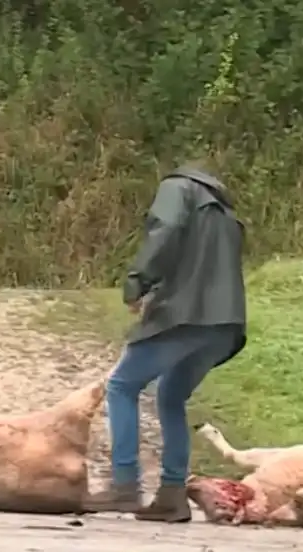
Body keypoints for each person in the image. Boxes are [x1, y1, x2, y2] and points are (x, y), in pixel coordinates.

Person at [86, 161, 247, 523]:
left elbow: (166, 229)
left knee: (122, 386)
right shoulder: (225, 210)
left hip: (187, 315)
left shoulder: (178, 188)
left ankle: (124, 486)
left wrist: (138, 281)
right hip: (225, 325)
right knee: (171, 397)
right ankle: (172, 495)